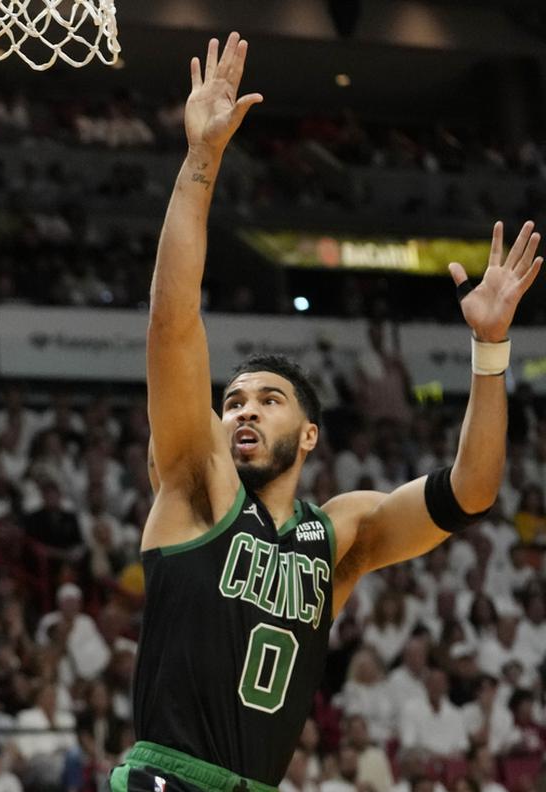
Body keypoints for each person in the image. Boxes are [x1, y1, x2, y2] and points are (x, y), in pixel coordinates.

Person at [119, 31, 539, 792]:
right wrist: (201, 161)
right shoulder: (194, 485)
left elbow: (472, 490)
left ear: (310, 433)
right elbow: (172, 322)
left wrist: (490, 352)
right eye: (234, 401)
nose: (243, 411)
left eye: (267, 401)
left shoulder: (338, 532)